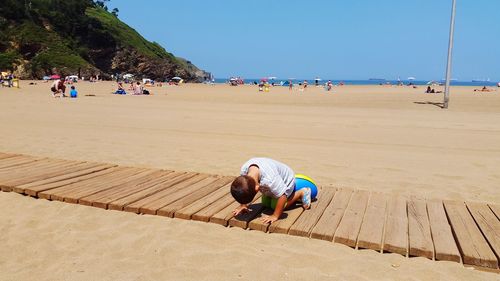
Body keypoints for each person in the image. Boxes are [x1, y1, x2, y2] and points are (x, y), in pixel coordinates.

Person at [230, 157, 315, 224]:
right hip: (270, 179)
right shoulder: (245, 171)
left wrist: (275, 215)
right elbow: (243, 186)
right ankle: (274, 195)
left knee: (275, 206)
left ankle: (301, 192)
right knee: (266, 204)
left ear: (257, 189)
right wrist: (243, 205)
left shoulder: (270, 180)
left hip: (286, 181)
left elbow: (283, 195)